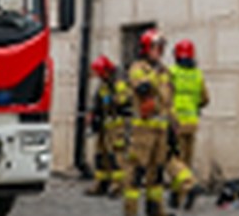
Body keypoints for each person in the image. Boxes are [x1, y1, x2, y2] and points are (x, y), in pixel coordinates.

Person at [125, 29, 195, 216]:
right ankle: (130, 212)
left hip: (161, 132)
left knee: (156, 175)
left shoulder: (164, 71)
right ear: (146, 48)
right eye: (156, 47)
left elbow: (168, 102)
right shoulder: (138, 68)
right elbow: (142, 87)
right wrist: (156, 75)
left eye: (162, 48)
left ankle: (156, 212)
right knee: (135, 175)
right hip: (143, 132)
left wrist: (175, 124)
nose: (160, 51)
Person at [167, 39, 208, 210]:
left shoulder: (172, 72)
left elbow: (164, 96)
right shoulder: (198, 75)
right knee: (186, 161)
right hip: (192, 123)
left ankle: (187, 188)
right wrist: (193, 105)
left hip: (176, 124)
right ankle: (178, 197)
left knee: (173, 160)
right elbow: (205, 99)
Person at [88, 55, 130, 197]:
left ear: (107, 70)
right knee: (101, 154)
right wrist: (94, 114)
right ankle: (102, 183)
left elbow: (123, 100)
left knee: (116, 155)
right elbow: (98, 99)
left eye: (101, 73)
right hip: (105, 123)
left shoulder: (119, 80)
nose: (100, 77)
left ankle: (118, 185)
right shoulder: (104, 83)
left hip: (118, 124)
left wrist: (112, 99)